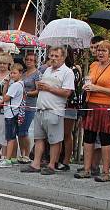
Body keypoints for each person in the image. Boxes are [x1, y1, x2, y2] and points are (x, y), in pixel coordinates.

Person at [21, 46, 75, 175]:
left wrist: (49, 88)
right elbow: (42, 88)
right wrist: (40, 87)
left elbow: (67, 92)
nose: (53, 58)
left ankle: (52, 165)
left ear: (63, 57)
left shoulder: (67, 72)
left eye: (57, 56)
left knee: (55, 140)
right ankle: (36, 164)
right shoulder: (47, 70)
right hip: (41, 108)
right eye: (51, 56)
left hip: (54, 109)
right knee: (39, 138)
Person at [74, 40, 110, 182]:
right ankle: (87, 169)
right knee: (88, 137)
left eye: (104, 50)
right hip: (91, 104)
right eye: (99, 50)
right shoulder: (93, 65)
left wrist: (98, 89)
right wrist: (86, 86)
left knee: (105, 138)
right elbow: (90, 81)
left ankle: (106, 172)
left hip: (106, 106)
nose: (100, 53)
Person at [0, 63, 25, 167]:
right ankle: (13, 158)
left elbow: (5, 98)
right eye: (11, 73)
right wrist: (6, 84)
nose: (12, 75)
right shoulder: (18, 84)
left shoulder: (16, 85)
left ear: (20, 73)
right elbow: (6, 94)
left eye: (14, 73)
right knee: (13, 137)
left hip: (11, 113)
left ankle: (8, 160)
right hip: (14, 112)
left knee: (10, 138)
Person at [17, 52, 40, 163]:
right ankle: (22, 153)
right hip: (19, 105)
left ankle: (27, 154)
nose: (29, 61)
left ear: (35, 62)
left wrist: (26, 93)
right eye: (27, 59)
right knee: (19, 131)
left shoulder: (37, 74)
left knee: (24, 130)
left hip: (30, 105)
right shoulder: (24, 73)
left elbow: (38, 91)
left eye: (31, 60)